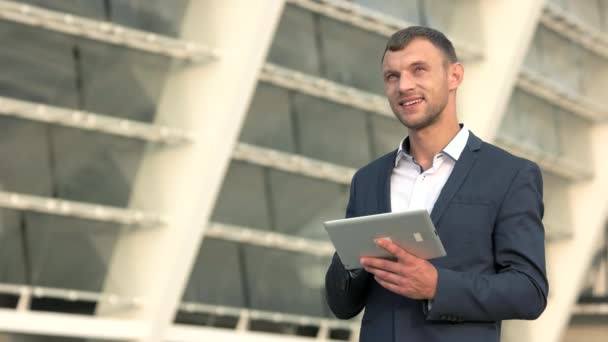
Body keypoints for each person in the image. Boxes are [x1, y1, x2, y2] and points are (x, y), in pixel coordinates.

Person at [324, 26, 548, 342]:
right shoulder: (367, 179)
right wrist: (355, 262)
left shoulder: (511, 175)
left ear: (454, 76)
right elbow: (341, 304)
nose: (404, 85)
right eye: (392, 76)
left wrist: (437, 286)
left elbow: (529, 291)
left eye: (419, 70)